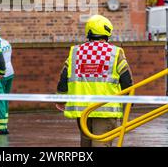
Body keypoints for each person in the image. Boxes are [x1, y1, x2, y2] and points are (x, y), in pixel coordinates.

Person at [56, 15, 133, 147]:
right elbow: (126, 80)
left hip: (83, 111)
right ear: (107, 32)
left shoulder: (76, 52)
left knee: (85, 144)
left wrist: (60, 98)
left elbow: (64, 77)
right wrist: (129, 102)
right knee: (101, 144)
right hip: (105, 110)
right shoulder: (115, 53)